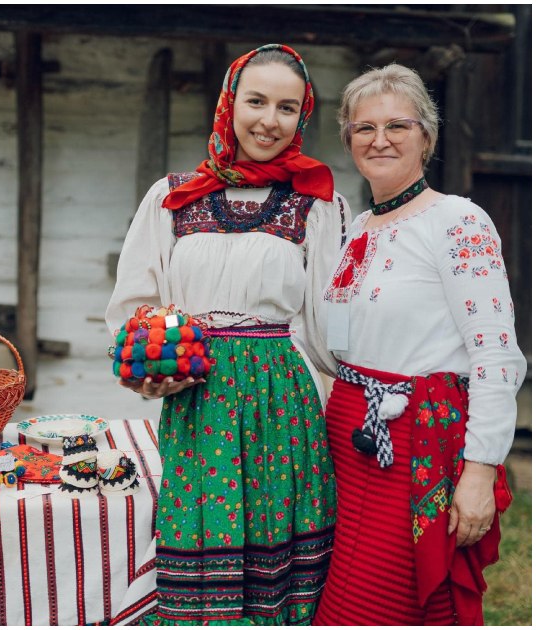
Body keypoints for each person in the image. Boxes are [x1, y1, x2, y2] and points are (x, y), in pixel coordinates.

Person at [105, 44, 348, 625]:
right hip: (197, 395)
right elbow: (136, 307)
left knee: (272, 532)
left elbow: (329, 325)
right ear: (229, 103)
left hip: (279, 399)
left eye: (287, 107)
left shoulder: (316, 204)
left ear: (302, 116)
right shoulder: (172, 198)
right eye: (256, 101)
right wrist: (146, 373)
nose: (269, 120)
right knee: (199, 537)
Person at [312, 64, 523, 625]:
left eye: (397, 125)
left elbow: (497, 354)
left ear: (426, 137)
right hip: (349, 437)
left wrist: (479, 471)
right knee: (339, 596)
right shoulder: (357, 228)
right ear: (348, 139)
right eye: (364, 128)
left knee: (383, 604)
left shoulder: (456, 222)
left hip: (413, 443)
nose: (379, 139)